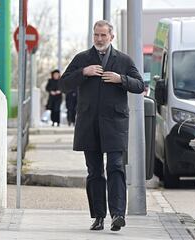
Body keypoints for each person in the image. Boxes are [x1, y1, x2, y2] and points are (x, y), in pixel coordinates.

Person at [59, 20, 144, 231]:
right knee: (95, 171)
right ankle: (98, 216)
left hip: (115, 124)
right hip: (89, 124)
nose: (99, 39)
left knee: (115, 166)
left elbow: (140, 85)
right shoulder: (82, 59)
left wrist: (120, 79)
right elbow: (63, 84)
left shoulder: (123, 60)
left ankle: (117, 214)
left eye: (103, 35)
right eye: (96, 35)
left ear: (111, 37)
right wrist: (83, 73)